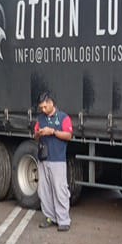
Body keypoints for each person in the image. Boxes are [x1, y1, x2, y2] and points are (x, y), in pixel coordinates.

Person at [32, 92, 73, 232]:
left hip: (57, 160)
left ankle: (63, 220)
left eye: (44, 107)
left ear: (51, 103)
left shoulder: (63, 118)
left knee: (60, 190)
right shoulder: (40, 119)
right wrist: (38, 134)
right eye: (41, 108)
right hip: (43, 159)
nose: (43, 110)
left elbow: (68, 135)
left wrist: (53, 132)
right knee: (44, 190)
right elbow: (35, 134)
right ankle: (50, 217)